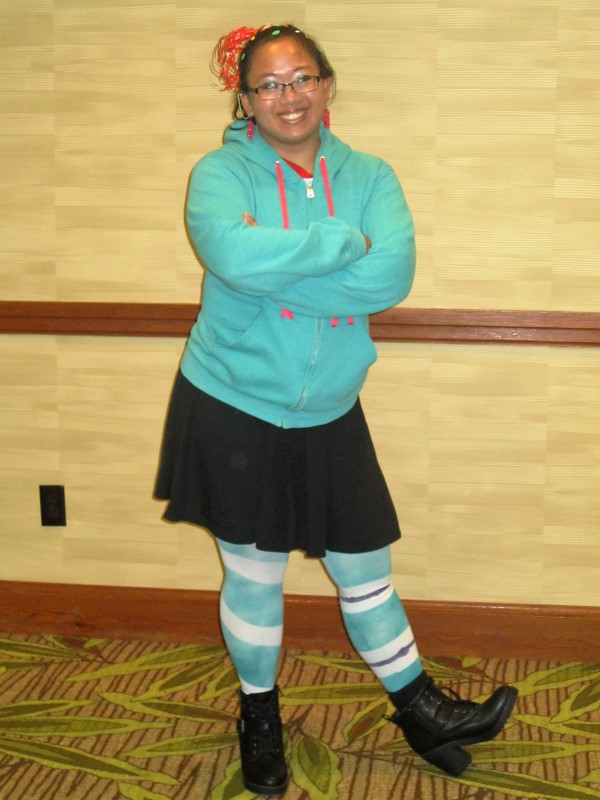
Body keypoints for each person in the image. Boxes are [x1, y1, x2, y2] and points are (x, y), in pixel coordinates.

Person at [155, 23, 518, 797]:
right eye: (269, 84)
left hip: (331, 408)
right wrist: (339, 241)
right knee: (254, 575)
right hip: (232, 400)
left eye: (301, 78)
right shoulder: (221, 174)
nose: (288, 95)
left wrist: (277, 267)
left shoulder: (371, 174)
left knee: (365, 571)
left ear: (326, 85)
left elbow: (391, 276)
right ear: (245, 100)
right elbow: (232, 256)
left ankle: (420, 709)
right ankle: (259, 716)